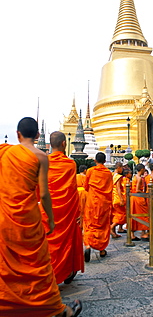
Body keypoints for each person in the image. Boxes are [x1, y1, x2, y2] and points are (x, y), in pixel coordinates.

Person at [0, 117, 82, 317]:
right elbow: (44, 194)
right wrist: (52, 220)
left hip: (6, 218)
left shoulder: (6, 153)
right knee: (37, 264)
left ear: (17, 134)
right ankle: (56, 309)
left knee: (9, 266)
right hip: (28, 218)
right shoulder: (41, 156)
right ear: (38, 136)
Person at [40, 131, 84, 285]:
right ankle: (64, 271)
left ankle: (49, 273)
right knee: (66, 243)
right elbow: (72, 190)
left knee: (49, 243)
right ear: (64, 144)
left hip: (47, 211)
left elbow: (41, 190)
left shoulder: (43, 161)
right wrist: (78, 212)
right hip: (66, 211)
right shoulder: (70, 164)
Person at [84, 152, 113, 261]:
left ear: (95, 161)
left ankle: (87, 244)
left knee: (89, 223)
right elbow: (110, 188)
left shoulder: (91, 171)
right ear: (105, 161)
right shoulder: (108, 173)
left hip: (92, 202)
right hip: (104, 203)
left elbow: (86, 186)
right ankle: (101, 249)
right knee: (102, 224)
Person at [131, 163, 149, 241]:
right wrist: (145, 193)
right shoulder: (139, 178)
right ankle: (143, 232)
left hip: (134, 198)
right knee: (144, 215)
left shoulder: (135, 177)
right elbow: (137, 190)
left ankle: (133, 234)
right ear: (142, 169)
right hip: (138, 198)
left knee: (134, 215)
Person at [111, 162, 125, 238]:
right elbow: (118, 189)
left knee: (115, 214)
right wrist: (121, 199)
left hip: (113, 197)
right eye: (122, 168)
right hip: (117, 197)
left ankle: (114, 232)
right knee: (121, 215)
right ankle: (111, 227)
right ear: (119, 167)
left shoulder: (112, 175)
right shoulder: (118, 177)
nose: (122, 169)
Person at [76, 165, 88, 229]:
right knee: (84, 210)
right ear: (85, 170)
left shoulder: (76, 176)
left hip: (77, 193)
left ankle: (78, 224)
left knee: (78, 209)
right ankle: (83, 225)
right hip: (85, 194)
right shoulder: (86, 177)